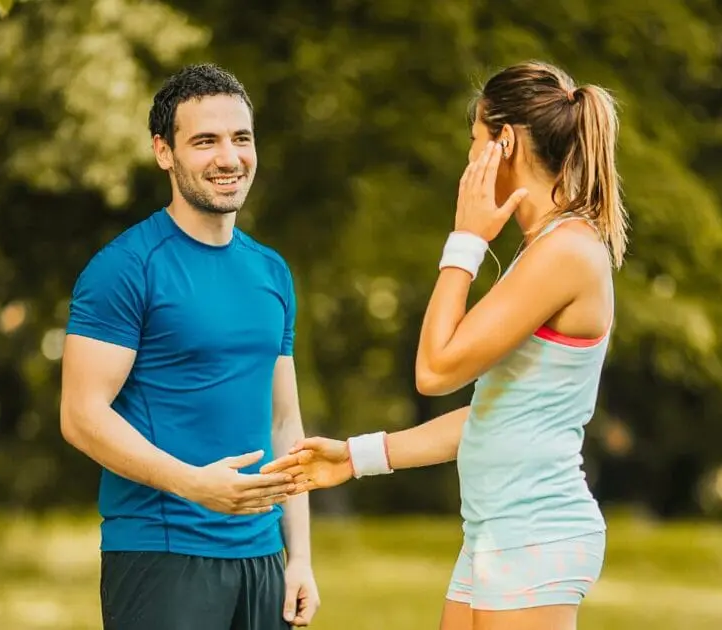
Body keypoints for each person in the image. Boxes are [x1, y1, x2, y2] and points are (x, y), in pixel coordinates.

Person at [262, 60, 627, 630]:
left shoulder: (566, 251)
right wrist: (355, 457)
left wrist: (465, 239)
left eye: (475, 140)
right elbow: (492, 416)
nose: (469, 158)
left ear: (505, 143)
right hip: (498, 529)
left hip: (535, 532)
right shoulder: (544, 248)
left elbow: (434, 371)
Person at [59, 64, 319, 630]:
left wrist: (298, 555)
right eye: (205, 141)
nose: (229, 157)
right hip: (161, 554)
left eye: (241, 138)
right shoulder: (125, 268)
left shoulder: (271, 271)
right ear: (164, 152)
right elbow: (80, 416)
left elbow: (284, 423)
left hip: (263, 557)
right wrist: (194, 485)